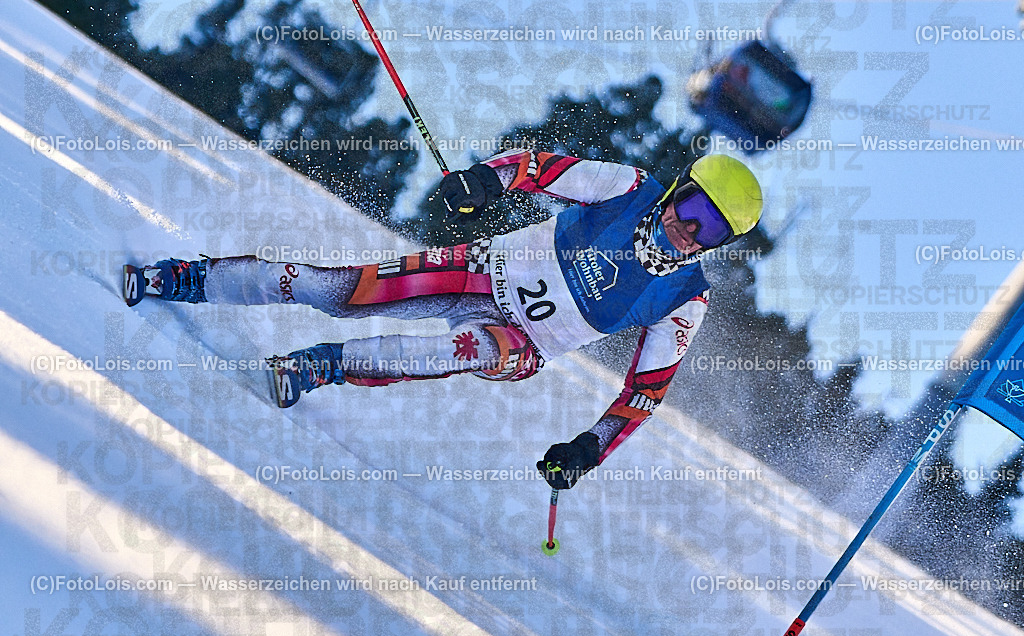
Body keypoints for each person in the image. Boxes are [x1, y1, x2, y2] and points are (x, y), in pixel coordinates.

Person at [126, 150, 762, 490]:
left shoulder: (686, 300)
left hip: (524, 341)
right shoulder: (630, 188)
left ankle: (324, 366)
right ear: (677, 189)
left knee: (464, 349)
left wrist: (587, 450)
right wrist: (486, 181)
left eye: (709, 229)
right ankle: (189, 278)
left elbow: (642, 396)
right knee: (339, 292)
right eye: (691, 206)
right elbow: (541, 169)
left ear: (717, 245)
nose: (687, 227)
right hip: (481, 269)